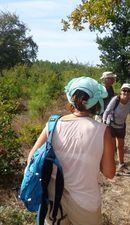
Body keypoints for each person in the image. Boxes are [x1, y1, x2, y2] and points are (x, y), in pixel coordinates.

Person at [26, 76, 116, 225]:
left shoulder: (53, 124)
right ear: (96, 102)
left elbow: (31, 158)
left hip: (54, 202)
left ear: (71, 99)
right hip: (86, 204)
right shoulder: (103, 131)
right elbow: (109, 173)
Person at [102, 83, 130, 173]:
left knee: (120, 146)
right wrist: (104, 121)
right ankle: (111, 166)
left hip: (121, 126)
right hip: (111, 125)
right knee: (112, 147)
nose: (126, 92)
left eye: (128, 91)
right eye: (124, 90)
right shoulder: (116, 99)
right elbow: (107, 111)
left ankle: (121, 165)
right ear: (121, 91)